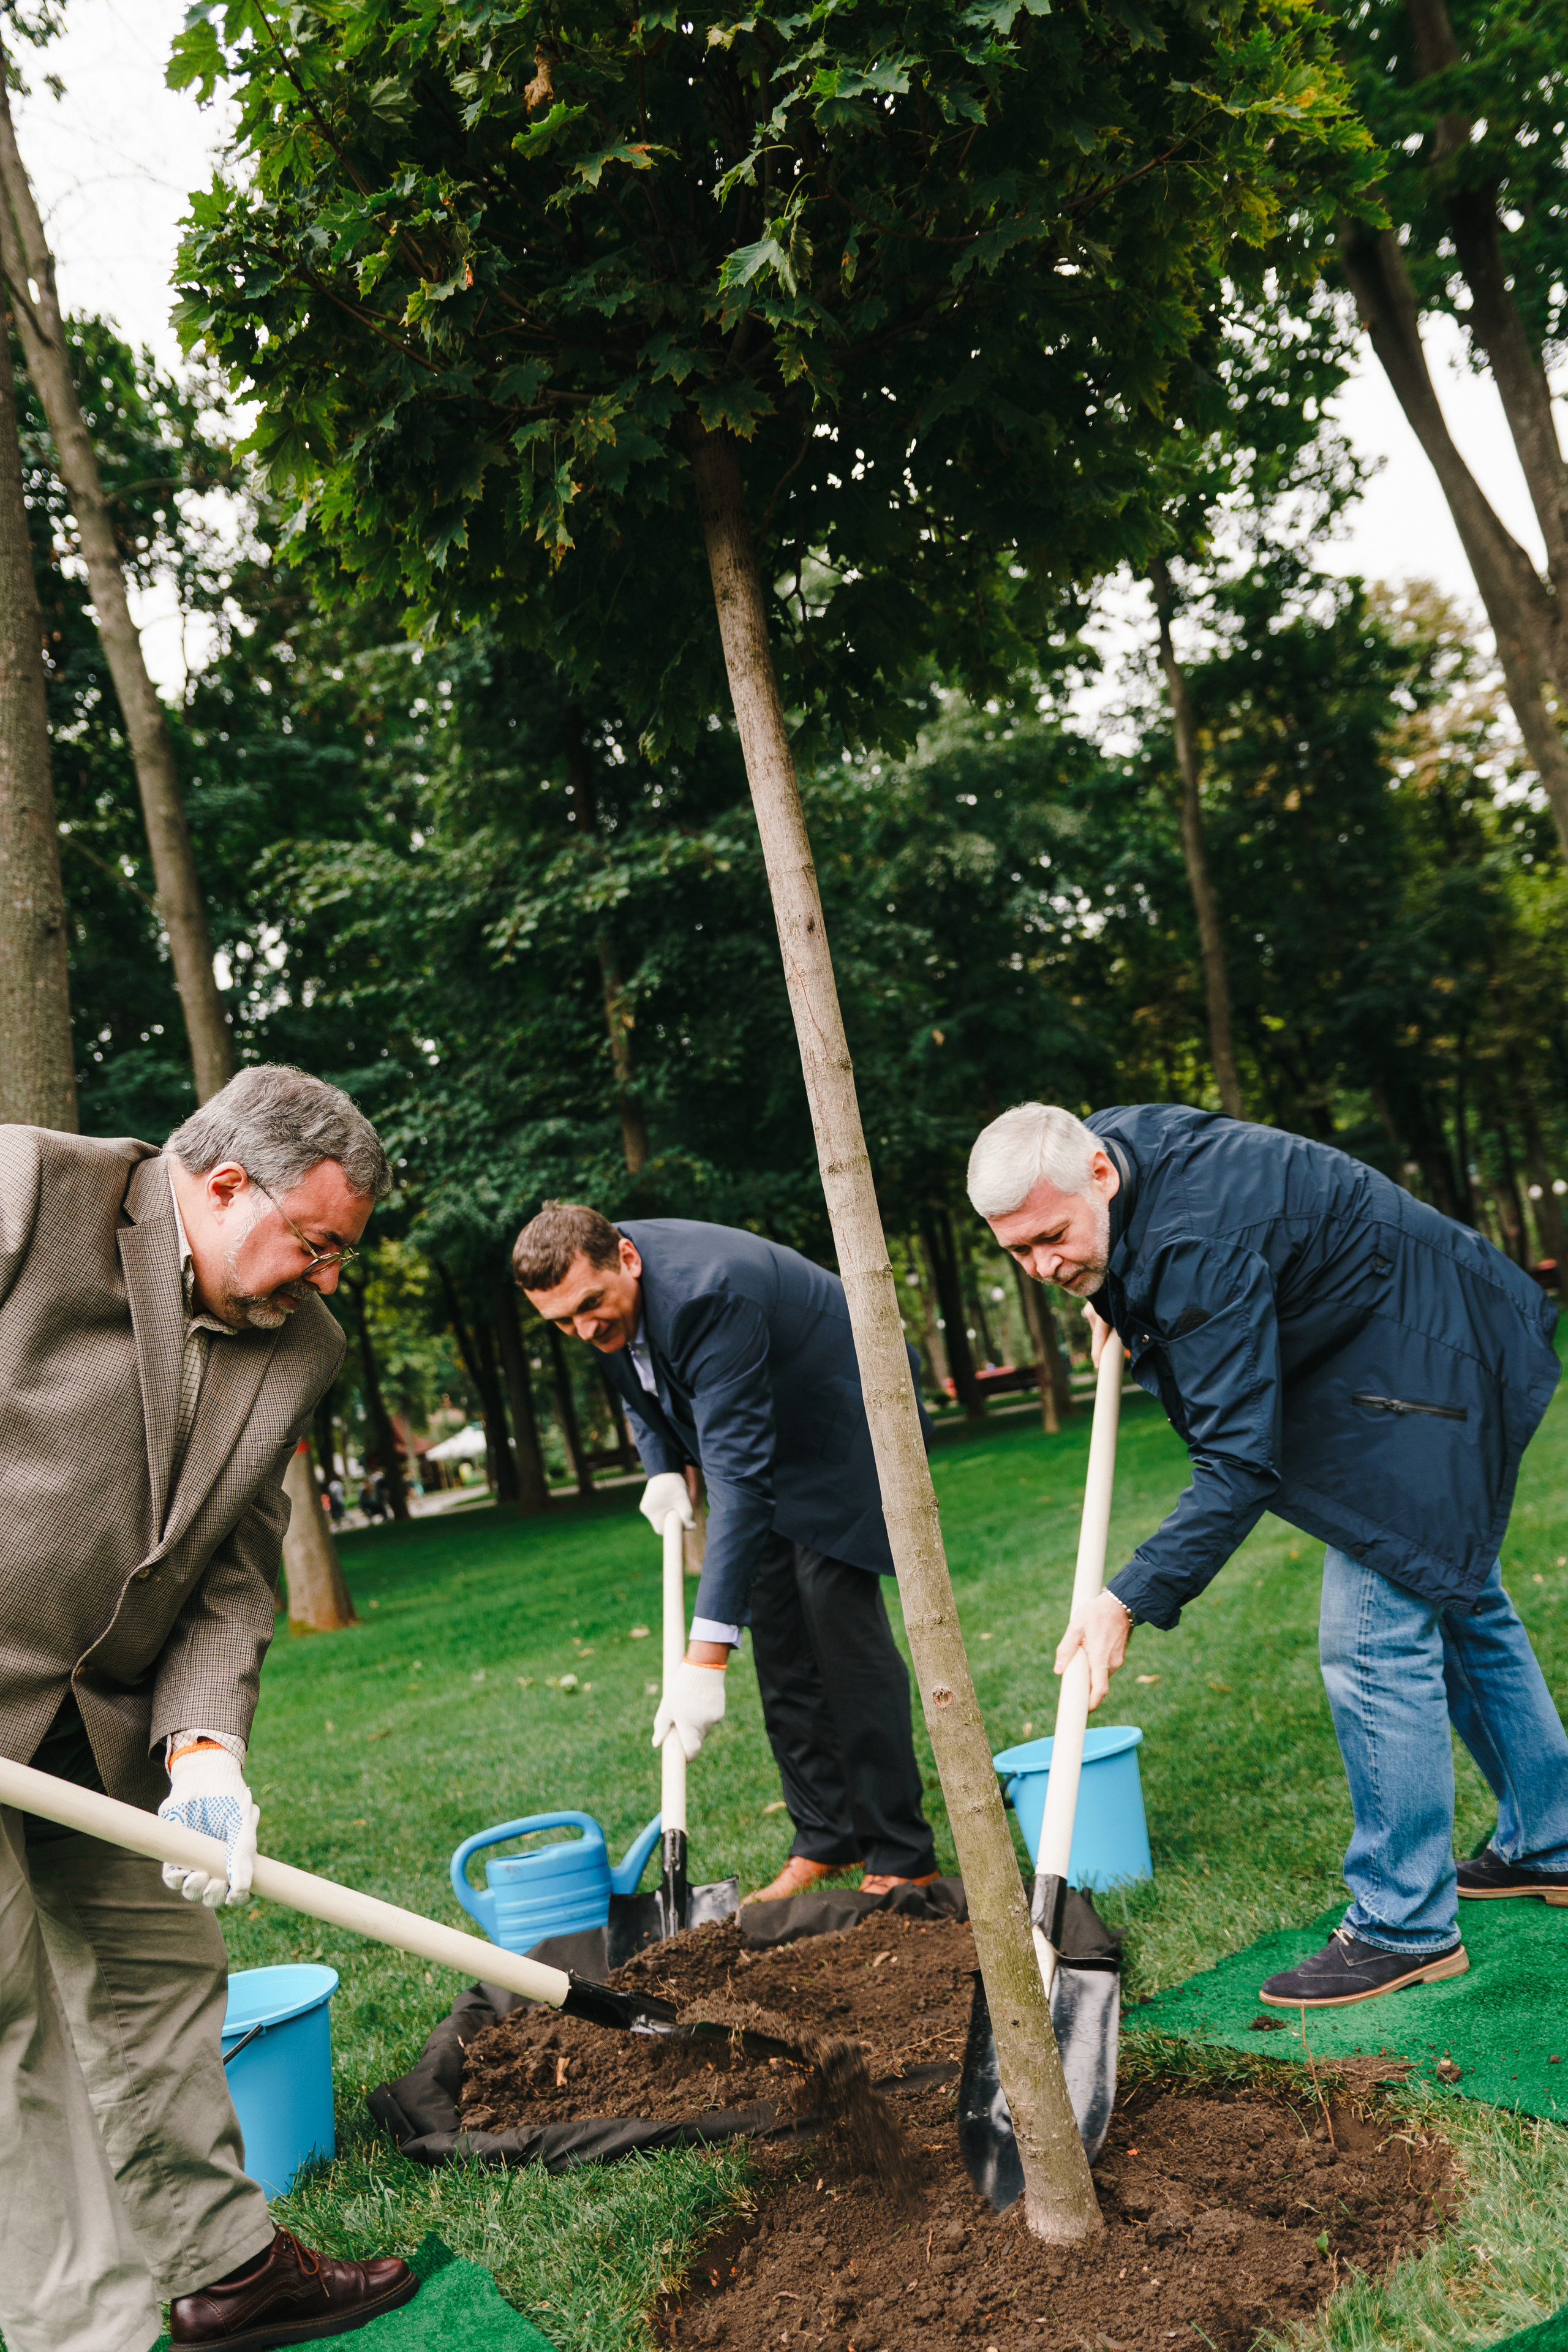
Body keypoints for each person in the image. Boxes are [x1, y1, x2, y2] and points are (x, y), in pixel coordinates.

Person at [967, 1100, 1568, 2008]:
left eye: (1052, 1238)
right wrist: (1116, 1297)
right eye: (1018, 1252)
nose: (1044, 1266)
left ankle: (1404, 1926)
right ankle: (1552, 1840)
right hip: (1407, 1335)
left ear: (1098, 1173)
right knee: (1463, 1600)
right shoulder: (1113, 1148)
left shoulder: (1191, 1241)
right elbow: (1172, 1268)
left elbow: (1238, 1462)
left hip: (1425, 1367)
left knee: (1371, 1641)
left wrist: (1125, 1598)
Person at [0, 1066, 417, 2352]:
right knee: (7, 2028)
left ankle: (226, 2269)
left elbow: (228, 1578)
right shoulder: (24, 1195)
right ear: (226, 1184)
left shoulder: (302, 1347)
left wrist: (202, 1752)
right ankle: (90, 2333)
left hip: (99, 1715)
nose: (330, 1278)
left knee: (160, 1977)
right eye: (319, 1243)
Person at [513, 1203, 939, 1901]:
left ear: (627, 1258)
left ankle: (900, 1852)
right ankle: (826, 1836)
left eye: (590, 1306)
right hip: (758, 1428)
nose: (584, 1330)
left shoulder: (708, 1292)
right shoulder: (595, 1288)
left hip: (845, 1425)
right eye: (561, 1322)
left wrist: (705, 1655)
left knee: (838, 1629)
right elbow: (637, 1373)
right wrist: (659, 1461)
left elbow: (739, 1482)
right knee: (780, 1641)